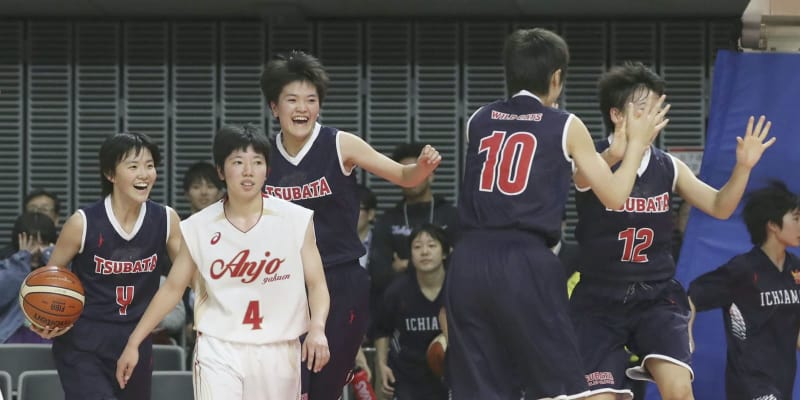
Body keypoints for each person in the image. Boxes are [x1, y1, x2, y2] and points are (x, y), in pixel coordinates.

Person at [444, 28, 669, 400]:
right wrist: (637, 146)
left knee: (481, 386)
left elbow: (575, 173)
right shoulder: (565, 124)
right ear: (556, 78)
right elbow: (613, 196)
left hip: (468, 260)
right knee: (563, 387)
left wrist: (612, 152)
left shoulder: (479, 119)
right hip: (525, 260)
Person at [570, 62, 775, 400]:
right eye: (643, 109)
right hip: (598, 299)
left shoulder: (668, 166)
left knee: (679, 390)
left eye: (656, 108)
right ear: (617, 115)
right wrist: (625, 150)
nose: (653, 116)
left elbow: (721, 206)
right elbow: (580, 178)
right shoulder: (592, 157)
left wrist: (743, 167)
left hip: (655, 295)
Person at [260, 50, 441, 400]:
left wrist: (422, 168)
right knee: (289, 386)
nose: (302, 108)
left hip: (340, 279)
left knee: (327, 384)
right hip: (284, 282)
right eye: (292, 100)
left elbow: (403, 175)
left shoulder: (340, 143)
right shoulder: (263, 155)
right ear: (273, 107)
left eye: (311, 100)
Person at [116, 124, 331, 399]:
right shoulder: (198, 226)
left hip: (280, 348)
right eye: (238, 162)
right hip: (218, 347)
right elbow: (172, 289)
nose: (248, 171)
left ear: (268, 169)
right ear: (221, 171)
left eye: (257, 162)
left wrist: (318, 328)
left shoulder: (296, 220)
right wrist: (134, 341)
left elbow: (316, 284)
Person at [32, 132, 183, 400]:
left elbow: (187, 277)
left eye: (150, 166)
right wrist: (44, 317)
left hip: (136, 336)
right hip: (84, 341)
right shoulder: (83, 223)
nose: (144, 174)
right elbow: (48, 279)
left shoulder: (166, 220)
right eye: (133, 166)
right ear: (111, 174)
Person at [687, 181, 800, 400]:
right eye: (796, 219)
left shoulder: (796, 269)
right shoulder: (742, 270)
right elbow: (691, 297)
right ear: (773, 226)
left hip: (783, 381)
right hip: (749, 384)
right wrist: (685, 335)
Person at [368, 142, 459, 302]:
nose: (413, 177)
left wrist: (404, 265)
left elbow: (461, 266)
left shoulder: (452, 216)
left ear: (431, 175)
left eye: (417, 170)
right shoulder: (387, 220)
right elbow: (379, 275)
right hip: (400, 304)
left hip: (448, 300)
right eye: (406, 172)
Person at [375, 224, 449, 400]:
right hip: (407, 376)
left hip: (449, 375)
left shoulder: (458, 290)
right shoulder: (396, 291)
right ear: (410, 255)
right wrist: (381, 365)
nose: (424, 252)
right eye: (417, 247)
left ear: (445, 253)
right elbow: (381, 330)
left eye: (431, 245)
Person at [0, 212, 57, 344]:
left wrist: (51, 258)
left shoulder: (63, 269)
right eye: (30, 241)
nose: (36, 249)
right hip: (10, 339)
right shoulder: (8, 266)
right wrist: (21, 260)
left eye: (42, 242)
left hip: (52, 341)